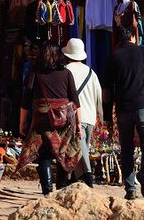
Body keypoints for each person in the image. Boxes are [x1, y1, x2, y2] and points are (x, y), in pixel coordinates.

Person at [102, 26, 144, 200]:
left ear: (118, 39)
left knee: (127, 149)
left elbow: (106, 91)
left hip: (123, 109)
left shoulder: (113, 57)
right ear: (133, 37)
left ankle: (130, 189)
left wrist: (107, 117)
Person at [17, 42, 83, 195]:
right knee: (63, 151)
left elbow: (25, 101)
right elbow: (75, 101)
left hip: (43, 120)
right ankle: (61, 188)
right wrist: (79, 124)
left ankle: (47, 191)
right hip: (65, 119)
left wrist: (22, 123)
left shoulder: (35, 73)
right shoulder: (66, 73)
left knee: (44, 152)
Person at [62, 37, 102, 188]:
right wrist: (101, 117)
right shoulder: (91, 73)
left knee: (75, 150)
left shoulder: (65, 71)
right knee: (81, 149)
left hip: (73, 117)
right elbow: (98, 96)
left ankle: (88, 178)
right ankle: (74, 181)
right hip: (89, 117)